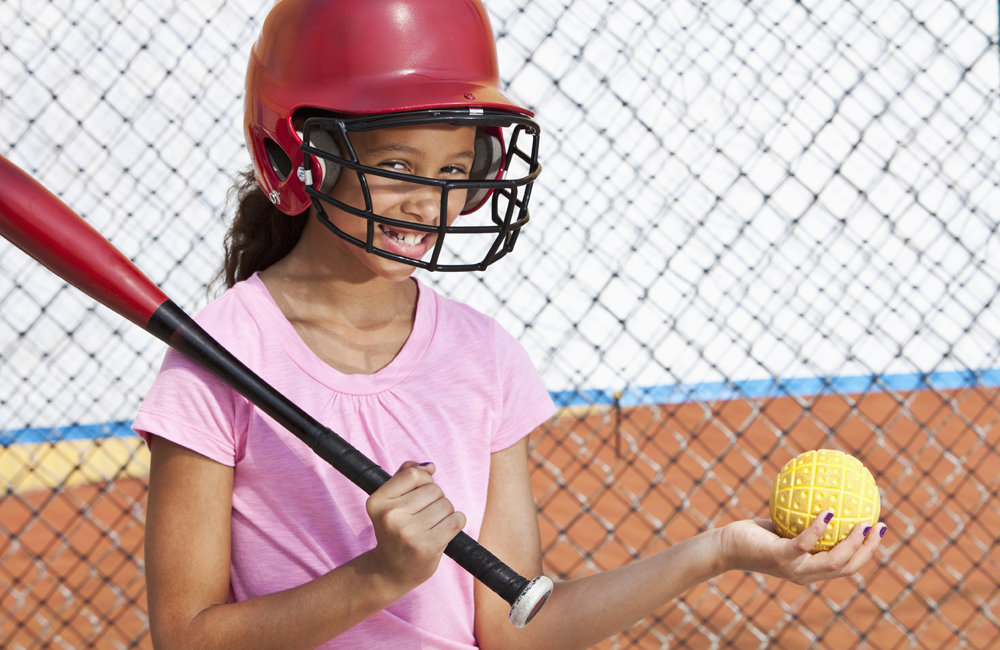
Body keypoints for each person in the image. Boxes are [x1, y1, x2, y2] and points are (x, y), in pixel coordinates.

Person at [134, 1, 886, 648]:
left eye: (456, 172)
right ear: (302, 153)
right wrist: (379, 577)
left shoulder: (483, 358)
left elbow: (514, 626)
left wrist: (718, 551)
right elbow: (187, 634)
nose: (430, 201)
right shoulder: (220, 355)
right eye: (398, 163)